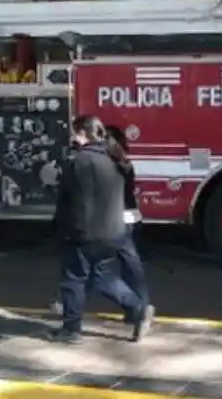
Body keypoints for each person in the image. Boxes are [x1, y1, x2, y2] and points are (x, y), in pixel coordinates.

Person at [50, 115, 153, 344]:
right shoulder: (115, 158)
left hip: (83, 232)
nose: (72, 137)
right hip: (113, 232)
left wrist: (60, 229)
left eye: (74, 133)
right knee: (102, 277)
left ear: (82, 133)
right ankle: (138, 309)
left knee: (74, 279)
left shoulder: (78, 162)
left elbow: (66, 199)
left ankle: (71, 329)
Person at [104, 124, 152, 320]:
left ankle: (137, 308)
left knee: (96, 269)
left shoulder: (109, 165)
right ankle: (140, 306)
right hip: (132, 215)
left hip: (117, 217)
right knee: (132, 265)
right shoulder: (125, 162)